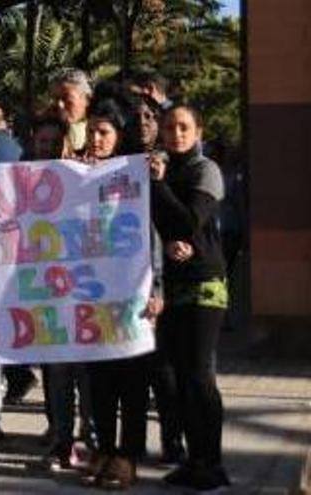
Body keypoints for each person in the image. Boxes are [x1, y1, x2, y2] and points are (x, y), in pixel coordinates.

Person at [78, 96, 165, 490]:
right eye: (91, 131)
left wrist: (157, 286)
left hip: (131, 291)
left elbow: (152, 235)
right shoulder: (72, 173)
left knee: (131, 380)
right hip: (89, 292)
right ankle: (103, 451)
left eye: (104, 132)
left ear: (118, 135)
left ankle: (128, 457)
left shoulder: (136, 175)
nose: (96, 139)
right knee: (99, 383)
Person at [150, 104, 230, 491]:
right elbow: (161, 226)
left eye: (184, 127)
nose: (176, 134)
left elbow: (187, 220)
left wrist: (159, 186)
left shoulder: (205, 170)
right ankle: (193, 460)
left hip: (204, 286)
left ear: (198, 130)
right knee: (178, 379)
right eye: (169, 127)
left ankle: (213, 465)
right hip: (172, 287)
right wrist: (167, 244)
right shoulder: (161, 170)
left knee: (200, 377)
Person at [28, 115, 98, 471]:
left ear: (67, 144)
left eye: (55, 142)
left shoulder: (80, 176)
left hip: (81, 288)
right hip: (41, 293)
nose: (48, 148)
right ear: (33, 143)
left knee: (84, 371)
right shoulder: (16, 181)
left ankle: (91, 437)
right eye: (42, 141)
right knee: (56, 372)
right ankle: (61, 438)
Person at [135, 95, 187, 464]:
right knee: (132, 374)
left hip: (161, 281)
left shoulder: (170, 166)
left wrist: (158, 288)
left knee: (164, 371)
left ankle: (173, 441)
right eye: (135, 117)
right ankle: (132, 446)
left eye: (150, 116)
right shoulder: (116, 162)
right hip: (120, 283)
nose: (143, 122)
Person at [50, 68, 93, 152]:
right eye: (56, 98)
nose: (60, 105)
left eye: (66, 98)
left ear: (87, 99)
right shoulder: (43, 133)